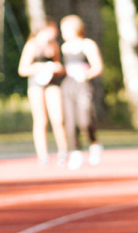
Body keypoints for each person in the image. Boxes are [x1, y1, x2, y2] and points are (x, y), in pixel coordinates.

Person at [18, 24, 68, 165]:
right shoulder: (31, 45)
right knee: (41, 120)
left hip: (52, 83)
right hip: (36, 84)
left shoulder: (54, 46)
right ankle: (43, 155)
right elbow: (22, 69)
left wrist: (56, 68)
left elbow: (59, 65)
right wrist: (41, 67)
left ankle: (63, 152)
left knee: (58, 118)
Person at [59, 15, 104, 169]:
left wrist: (85, 75)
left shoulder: (88, 44)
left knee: (85, 119)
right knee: (70, 121)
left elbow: (97, 67)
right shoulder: (64, 47)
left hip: (83, 84)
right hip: (69, 85)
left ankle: (94, 143)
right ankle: (75, 151)